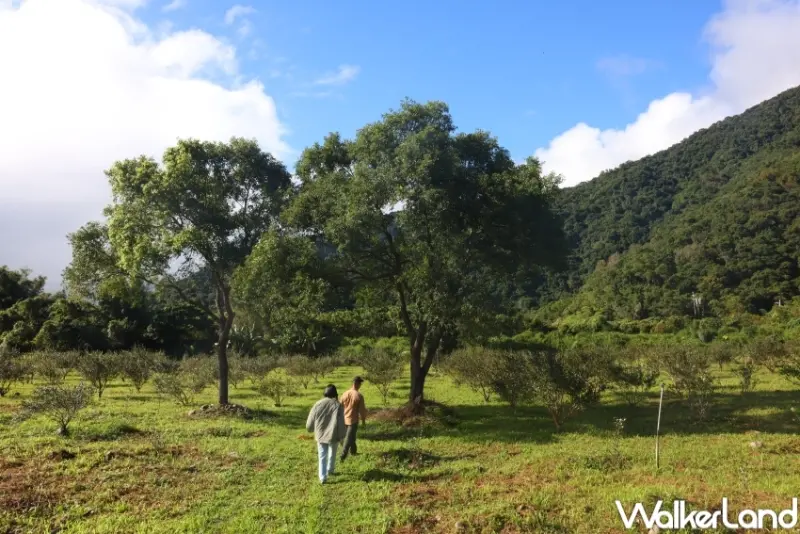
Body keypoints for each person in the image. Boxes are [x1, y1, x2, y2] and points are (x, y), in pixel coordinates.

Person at [306, 384, 345, 484]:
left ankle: (322, 477)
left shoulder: (317, 404)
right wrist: (341, 437)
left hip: (320, 434)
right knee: (332, 452)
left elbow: (310, 421)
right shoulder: (338, 405)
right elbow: (341, 423)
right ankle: (330, 470)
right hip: (334, 434)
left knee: (322, 455)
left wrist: (310, 429)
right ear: (335, 394)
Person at [339, 376, 367, 462]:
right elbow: (362, 410)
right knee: (348, 438)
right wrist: (363, 420)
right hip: (353, 420)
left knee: (352, 436)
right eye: (360, 383)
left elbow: (339, 406)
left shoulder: (345, 393)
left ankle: (354, 452)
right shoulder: (359, 395)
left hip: (344, 418)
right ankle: (343, 455)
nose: (360, 385)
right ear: (357, 384)